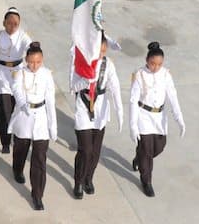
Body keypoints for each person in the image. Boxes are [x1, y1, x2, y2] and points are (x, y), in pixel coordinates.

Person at [129, 41, 186, 198]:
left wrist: (179, 118)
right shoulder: (140, 75)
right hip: (144, 116)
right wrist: (133, 125)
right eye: (153, 63)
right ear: (147, 61)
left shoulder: (166, 75)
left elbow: (172, 96)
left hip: (159, 116)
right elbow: (133, 101)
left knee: (159, 147)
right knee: (147, 150)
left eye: (159, 64)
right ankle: (146, 181)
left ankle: (139, 157)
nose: (156, 67)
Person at [71, 34, 124, 199]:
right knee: (85, 149)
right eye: (97, 50)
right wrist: (86, 81)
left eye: (104, 50)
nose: (101, 53)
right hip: (83, 105)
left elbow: (115, 88)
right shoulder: (80, 62)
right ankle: (78, 181)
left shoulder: (108, 65)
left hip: (100, 108)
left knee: (95, 150)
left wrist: (120, 110)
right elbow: (73, 86)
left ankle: (89, 178)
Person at [11, 41, 58, 211]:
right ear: (26, 60)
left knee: (39, 159)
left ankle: (37, 195)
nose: (34, 65)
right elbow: (16, 89)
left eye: (38, 62)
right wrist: (23, 103)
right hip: (24, 116)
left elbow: (51, 101)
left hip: (41, 120)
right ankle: (17, 169)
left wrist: (53, 126)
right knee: (21, 149)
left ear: (42, 60)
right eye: (31, 61)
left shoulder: (46, 75)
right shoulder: (20, 73)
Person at [0, 6, 33, 153]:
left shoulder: (23, 36)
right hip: (0, 75)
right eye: (9, 23)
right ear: (4, 22)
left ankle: (17, 136)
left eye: (15, 24)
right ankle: (5, 141)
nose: (12, 26)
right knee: (4, 110)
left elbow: (30, 48)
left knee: (17, 108)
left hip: (17, 75)